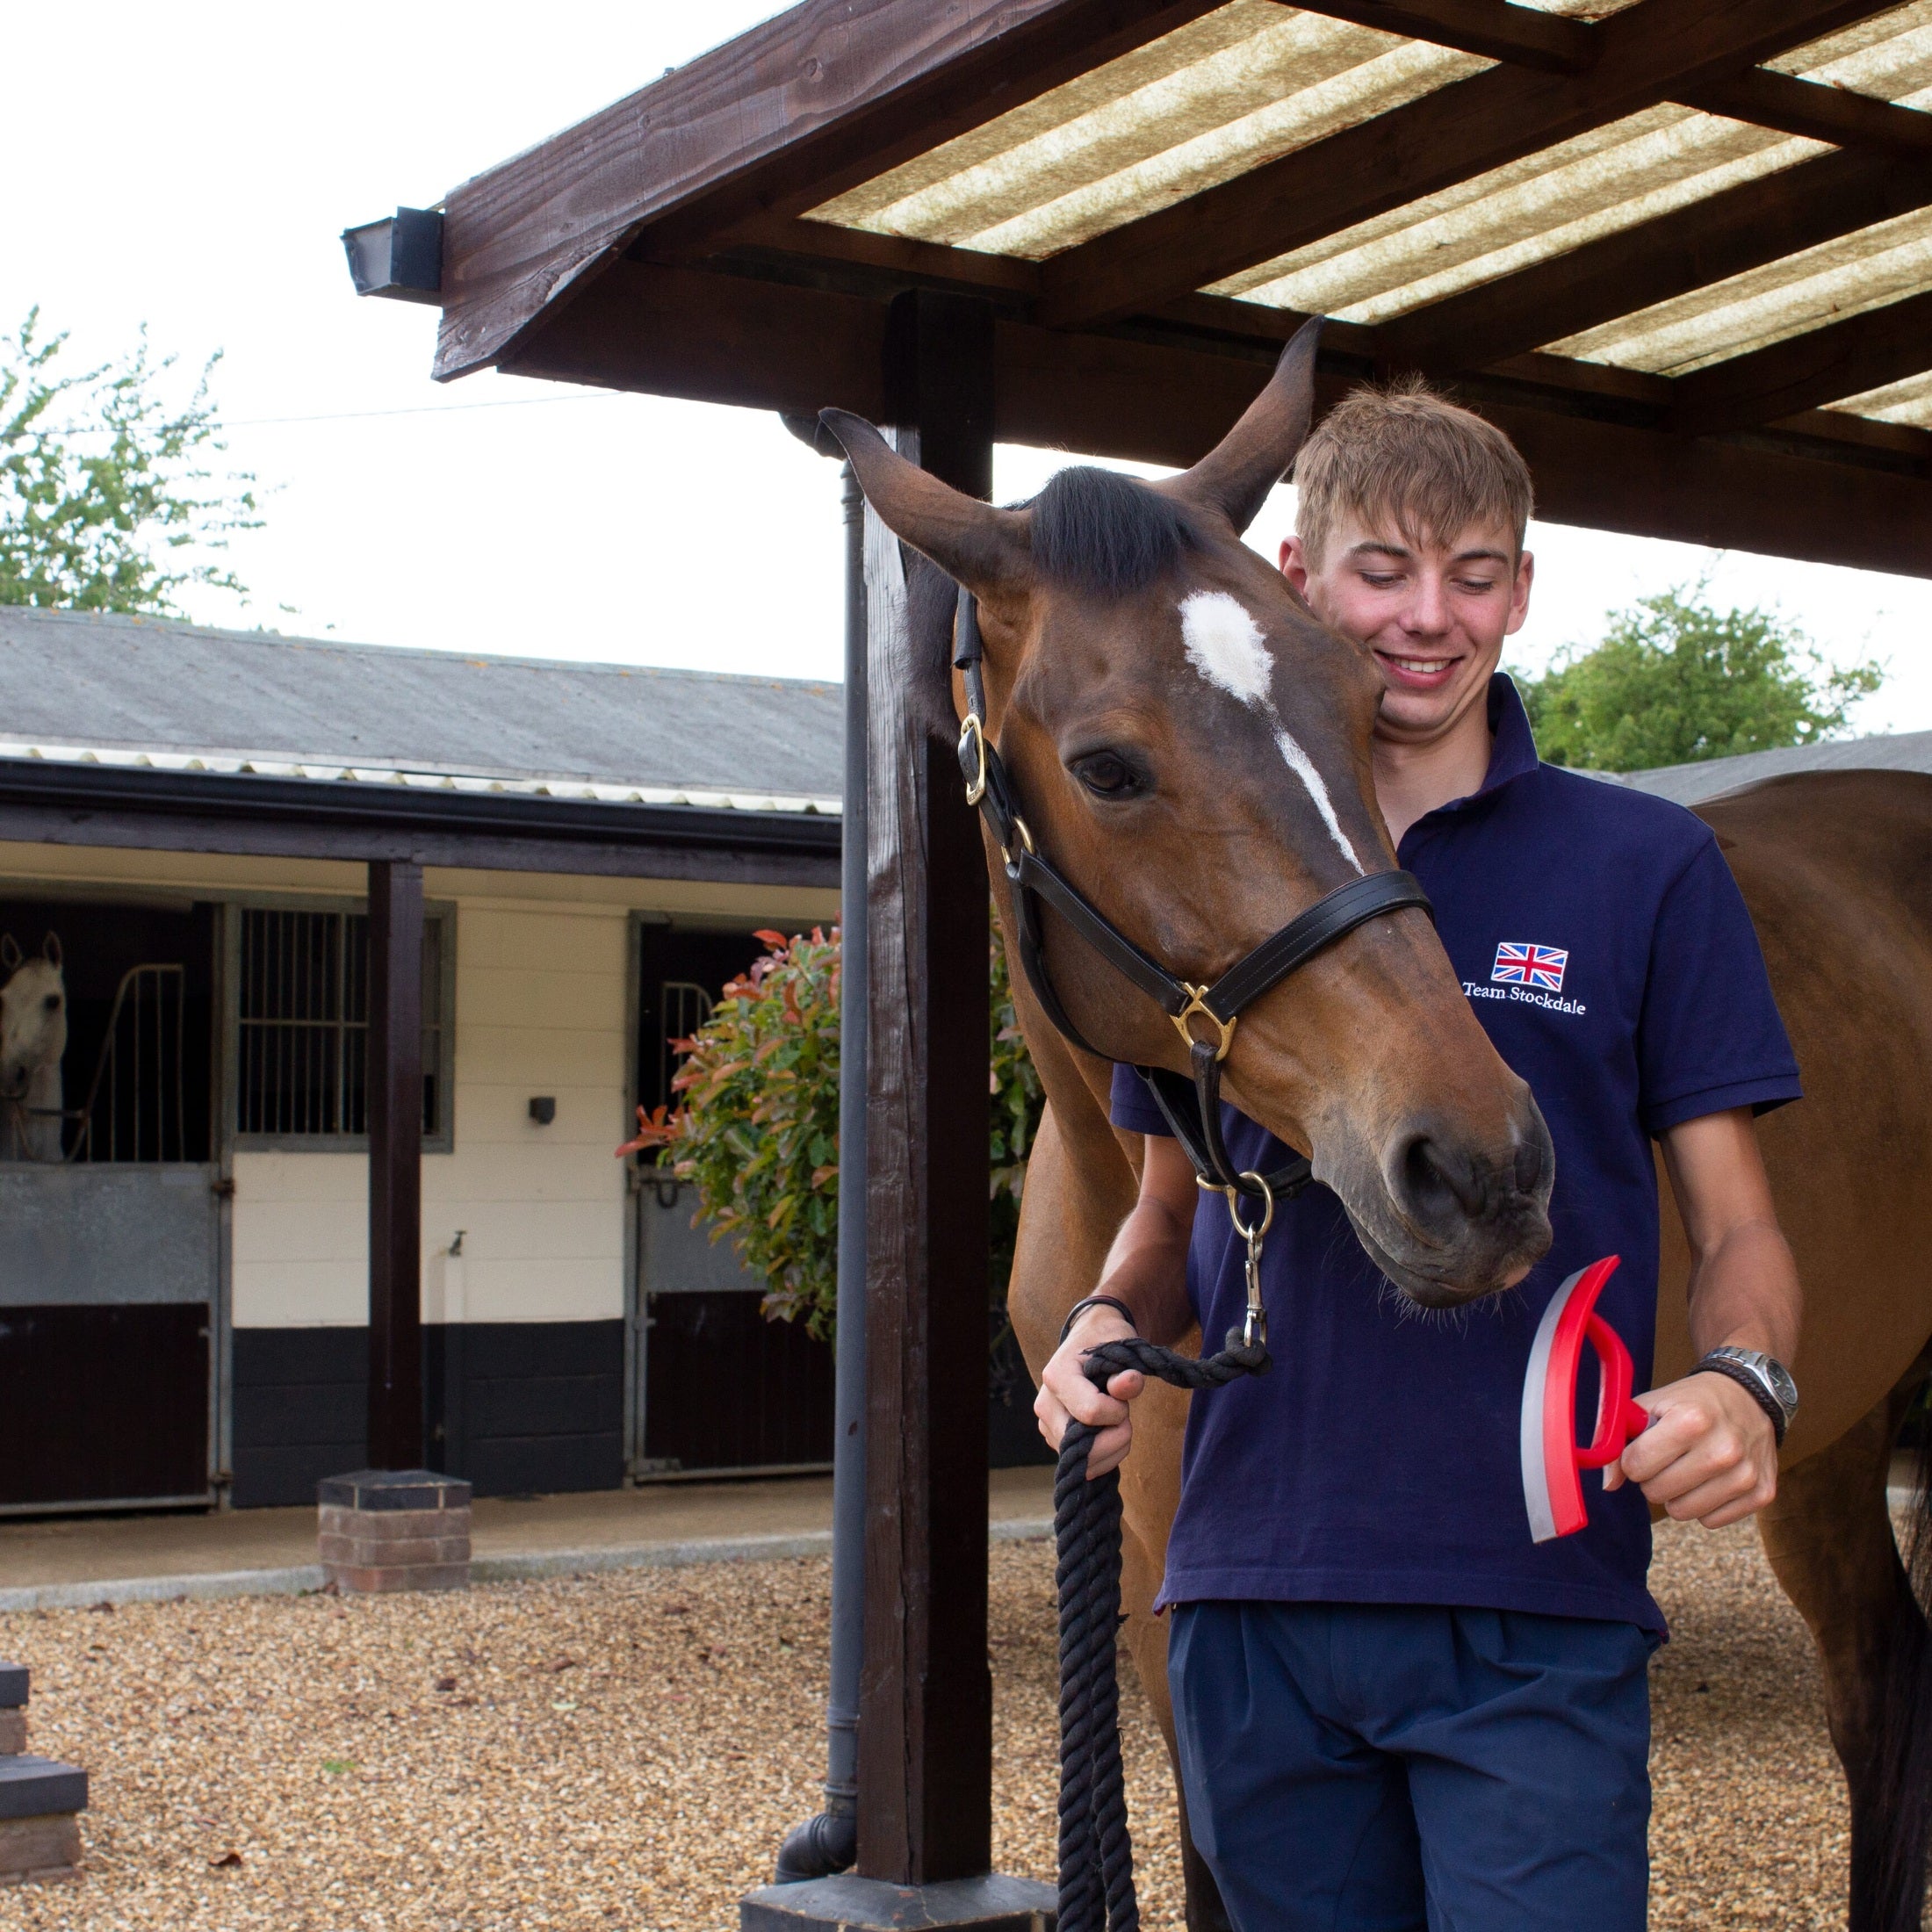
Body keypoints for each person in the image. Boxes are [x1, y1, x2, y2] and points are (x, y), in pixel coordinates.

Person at [1034, 378, 1804, 1932]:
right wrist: (1106, 1326)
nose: (1426, 618)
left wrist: (1747, 1381)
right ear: (1302, 580)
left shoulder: (1645, 865)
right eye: (1382, 569)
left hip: (1529, 1603)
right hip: (1249, 1595)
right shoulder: (1209, 855)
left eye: (1473, 573)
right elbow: (1160, 1219)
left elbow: (1741, 1230)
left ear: (1521, 591)